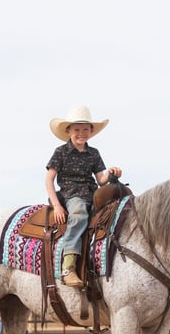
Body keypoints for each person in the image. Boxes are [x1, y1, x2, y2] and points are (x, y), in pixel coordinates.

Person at [45, 105, 122, 288]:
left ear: (91, 131)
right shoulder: (60, 152)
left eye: (85, 129)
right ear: (68, 130)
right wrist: (57, 206)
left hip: (91, 193)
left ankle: (106, 258)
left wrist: (112, 173)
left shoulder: (93, 153)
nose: (81, 133)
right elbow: (49, 181)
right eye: (77, 129)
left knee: (116, 209)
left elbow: (101, 179)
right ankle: (68, 266)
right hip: (70, 194)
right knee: (79, 214)